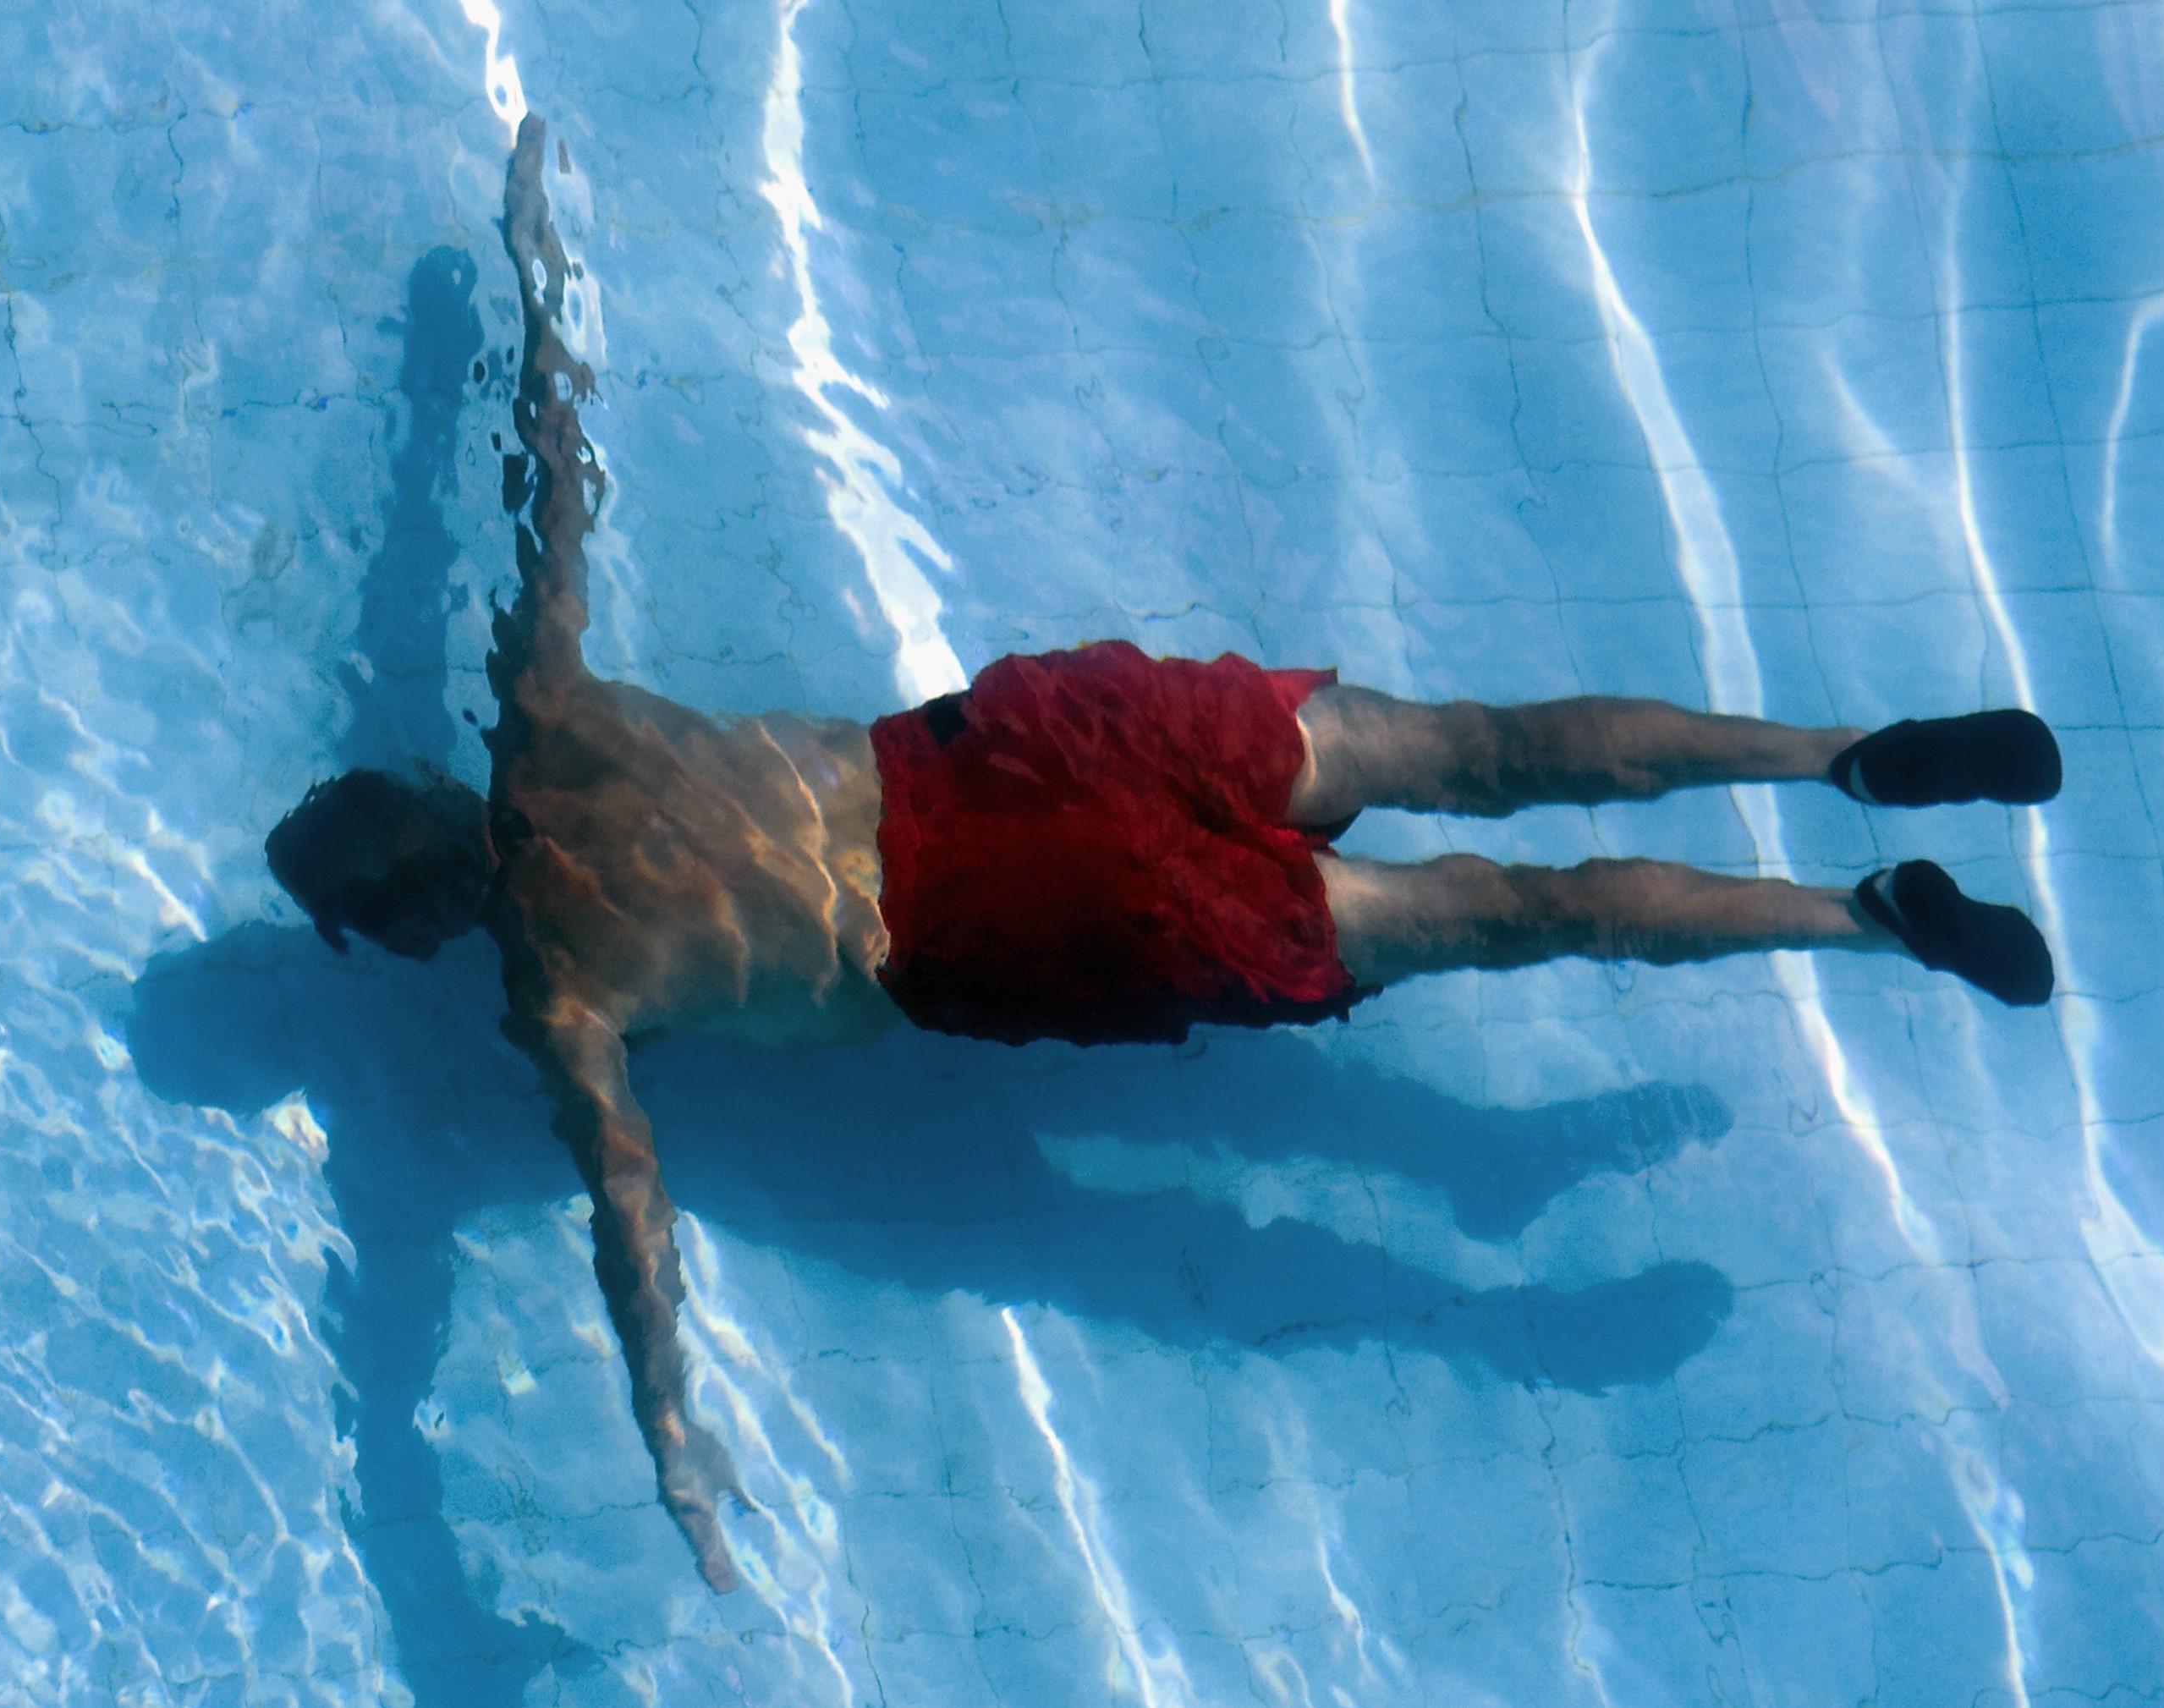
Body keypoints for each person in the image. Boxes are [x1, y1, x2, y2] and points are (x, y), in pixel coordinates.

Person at [264, 118, 2060, 1592]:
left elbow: (628, 1211)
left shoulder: (555, 989)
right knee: (1476, 745)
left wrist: (673, 1435)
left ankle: (1862, 918)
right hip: (1016, 742)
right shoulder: (541, 710)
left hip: (994, 917)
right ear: (427, 789)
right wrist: (537, 271)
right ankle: (1837, 754)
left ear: (408, 926)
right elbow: (546, 471)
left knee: (1490, 917)